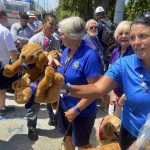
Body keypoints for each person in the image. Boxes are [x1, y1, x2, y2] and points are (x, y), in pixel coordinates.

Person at [62, 12, 150, 150]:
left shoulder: (89, 54)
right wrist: (64, 88)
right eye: (133, 37)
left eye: (143, 36)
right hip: (131, 135)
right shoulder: (124, 64)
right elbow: (97, 88)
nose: (136, 42)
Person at [57, 16, 102, 150]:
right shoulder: (66, 51)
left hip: (81, 111)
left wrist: (77, 109)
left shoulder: (90, 56)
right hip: (64, 105)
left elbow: (95, 90)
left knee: (82, 145)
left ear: (73, 35)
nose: (60, 37)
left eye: (62, 34)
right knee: (67, 137)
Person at [27, 13, 60, 141]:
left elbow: (57, 54)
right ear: (44, 23)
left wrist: (54, 57)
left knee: (50, 98)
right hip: (36, 77)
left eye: (55, 25)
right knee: (34, 102)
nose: (53, 27)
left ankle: (52, 118)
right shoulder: (34, 39)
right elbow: (28, 59)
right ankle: (31, 126)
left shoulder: (55, 40)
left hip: (49, 75)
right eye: (50, 24)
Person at [108, 20, 134, 117]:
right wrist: (111, 93)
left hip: (128, 100)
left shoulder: (136, 53)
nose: (123, 36)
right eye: (120, 33)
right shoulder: (115, 51)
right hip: (114, 98)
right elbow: (109, 74)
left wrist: (125, 96)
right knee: (112, 125)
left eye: (127, 33)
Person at [0, 10, 18, 116]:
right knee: (1, 88)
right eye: (6, 18)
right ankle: (2, 108)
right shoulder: (5, 31)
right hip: (3, 65)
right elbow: (12, 50)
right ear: (2, 17)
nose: (7, 20)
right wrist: (17, 63)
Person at [95, 6, 117, 71]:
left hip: (101, 49)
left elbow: (95, 38)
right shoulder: (110, 22)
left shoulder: (98, 25)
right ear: (104, 14)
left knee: (101, 67)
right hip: (110, 48)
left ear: (96, 15)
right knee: (107, 65)